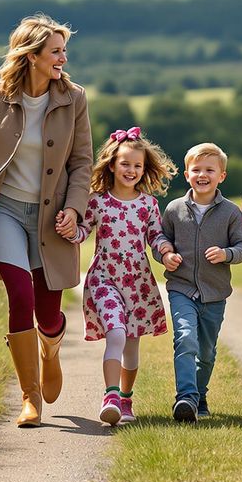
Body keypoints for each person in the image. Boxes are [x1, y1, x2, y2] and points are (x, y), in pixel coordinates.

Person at [0, 14, 93, 428]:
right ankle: (30, 399)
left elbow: (82, 162)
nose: (63, 59)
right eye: (55, 51)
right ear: (31, 56)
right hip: (3, 210)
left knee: (48, 312)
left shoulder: (74, 99)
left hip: (51, 219)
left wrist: (74, 208)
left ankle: (51, 345)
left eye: (64, 51)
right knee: (20, 295)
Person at [64, 126, 176, 426]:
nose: (131, 170)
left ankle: (126, 398)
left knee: (132, 345)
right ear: (112, 164)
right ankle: (110, 396)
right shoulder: (97, 201)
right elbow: (83, 231)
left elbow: (156, 236)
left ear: (144, 168)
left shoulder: (147, 205)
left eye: (137, 165)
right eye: (125, 163)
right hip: (105, 279)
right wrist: (70, 230)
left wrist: (166, 253)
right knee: (115, 333)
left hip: (137, 283)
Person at [153, 142, 242, 423]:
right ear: (187, 175)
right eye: (196, 169)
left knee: (206, 352)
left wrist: (226, 254)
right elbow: (161, 239)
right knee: (185, 338)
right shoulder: (174, 209)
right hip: (181, 287)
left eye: (210, 169)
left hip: (214, 292)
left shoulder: (231, 213)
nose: (202, 175)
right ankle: (185, 397)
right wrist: (166, 253)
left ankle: (200, 393)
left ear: (222, 175)